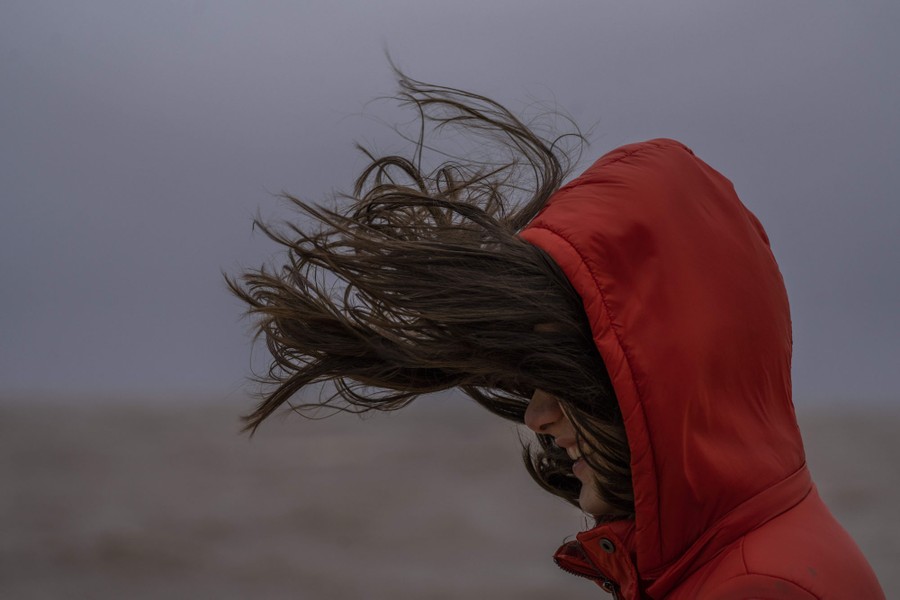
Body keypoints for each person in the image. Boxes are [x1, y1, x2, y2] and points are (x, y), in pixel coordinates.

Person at [229, 72, 884, 598]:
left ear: (660, 379)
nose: (537, 415)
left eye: (566, 375)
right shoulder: (744, 554)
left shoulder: (760, 588)